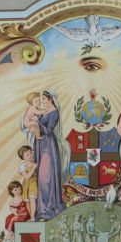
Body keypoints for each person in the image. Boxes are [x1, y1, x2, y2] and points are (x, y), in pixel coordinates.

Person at [34, 90, 68, 221]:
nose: (42, 101)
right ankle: (42, 210)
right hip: (41, 144)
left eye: (44, 99)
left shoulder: (54, 113)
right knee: (40, 176)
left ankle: (49, 208)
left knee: (46, 177)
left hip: (48, 145)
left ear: (50, 99)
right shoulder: (45, 111)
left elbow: (48, 131)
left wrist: (38, 123)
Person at [16, 145, 38, 220]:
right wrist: (33, 168)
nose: (30, 155)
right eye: (27, 154)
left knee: (32, 199)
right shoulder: (23, 165)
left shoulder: (34, 162)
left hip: (34, 184)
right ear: (23, 157)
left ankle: (33, 217)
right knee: (27, 201)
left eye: (30, 153)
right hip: (27, 184)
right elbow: (27, 176)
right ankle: (31, 216)